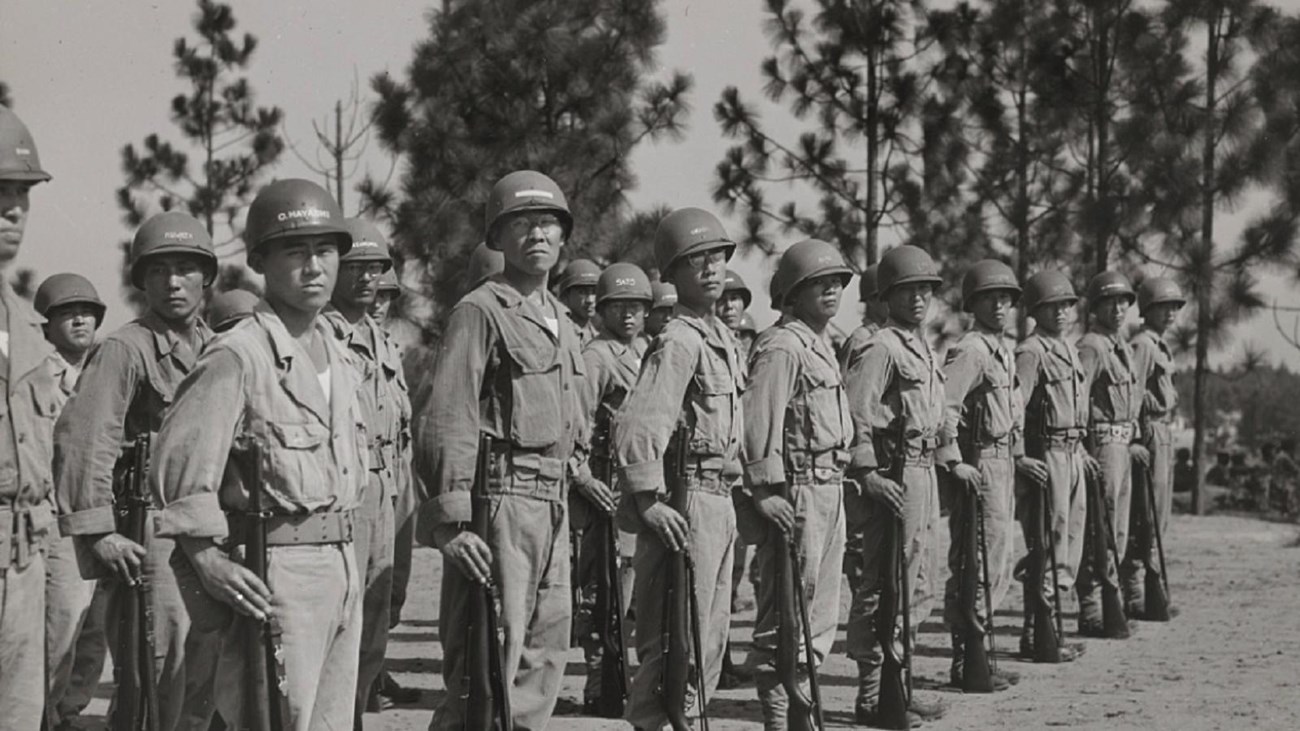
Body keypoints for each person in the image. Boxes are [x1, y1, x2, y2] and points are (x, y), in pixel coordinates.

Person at [150, 178, 366, 729]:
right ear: (261, 262)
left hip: (343, 565)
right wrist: (207, 560)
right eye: (295, 252)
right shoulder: (238, 355)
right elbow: (180, 470)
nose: (314, 267)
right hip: (276, 572)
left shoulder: (340, 357)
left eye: (325, 251)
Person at [417, 170, 586, 730]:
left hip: (553, 501)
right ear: (499, 238)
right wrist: (452, 521)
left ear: (563, 237)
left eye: (548, 223)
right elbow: (449, 414)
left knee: (545, 655)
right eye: (522, 223)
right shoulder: (482, 310)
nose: (537, 234)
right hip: (504, 500)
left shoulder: (562, 320)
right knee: (486, 664)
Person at [54, 209, 221, 730]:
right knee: (156, 679)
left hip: (211, 526)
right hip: (154, 532)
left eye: (186, 268)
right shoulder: (125, 349)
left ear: (206, 277)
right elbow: (85, 439)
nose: (174, 282)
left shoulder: (217, 348)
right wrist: (98, 532)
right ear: (143, 280)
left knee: (206, 674)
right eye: (159, 270)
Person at [612, 207, 743, 731]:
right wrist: (648, 500)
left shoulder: (722, 340)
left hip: (720, 497)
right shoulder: (680, 340)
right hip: (688, 497)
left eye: (716, 257)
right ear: (673, 273)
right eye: (695, 261)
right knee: (672, 643)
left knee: (708, 637)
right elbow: (639, 424)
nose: (710, 269)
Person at [742, 239, 853, 729]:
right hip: (801, 489)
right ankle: (782, 715)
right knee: (788, 610)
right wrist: (765, 490)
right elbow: (757, 424)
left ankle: (802, 706)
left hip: (830, 485)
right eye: (818, 283)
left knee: (819, 613)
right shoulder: (783, 345)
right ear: (793, 291)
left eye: (836, 282)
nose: (830, 290)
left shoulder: (819, 343)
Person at [841, 245, 948, 726]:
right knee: (882, 584)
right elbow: (855, 416)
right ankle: (871, 693)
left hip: (923, 473)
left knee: (919, 581)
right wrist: (867, 475)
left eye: (926, 289)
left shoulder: (923, 348)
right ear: (887, 296)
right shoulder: (880, 347)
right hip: (892, 473)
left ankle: (899, 685)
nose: (919, 298)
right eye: (908, 290)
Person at [325, 217, 414, 729]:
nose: (367, 279)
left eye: (376, 268)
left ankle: (354, 714)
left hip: (386, 488)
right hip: (346, 490)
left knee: (376, 618)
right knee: (342, 617)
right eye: (356, 267)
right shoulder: (322, 333)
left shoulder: (382, 342)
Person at [0, 103, 63, 730]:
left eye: (20, 193)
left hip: (24, 549)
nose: (13, 209)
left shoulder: (24, 321)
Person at [936, 260, 1025, 691]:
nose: (1000, 305)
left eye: (1006, 298)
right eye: (991, 297)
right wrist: (954, 461)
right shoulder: (971, 349)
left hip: (1002, 461)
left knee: (999, 557)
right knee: (977, 560)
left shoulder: (1001, 350)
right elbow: (945, 407)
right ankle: (965, 657)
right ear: (973, 303)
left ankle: (979, 652)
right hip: (980, 463)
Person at [570, 262, 652, 715]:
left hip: (635, 489)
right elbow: (573, 427)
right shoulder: (596, 358)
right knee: (602, 591)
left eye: (636, 306)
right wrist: (584, 481)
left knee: (633, 589)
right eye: (618, 306)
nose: (628, 315)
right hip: (603, 489)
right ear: (602, 310)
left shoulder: (648, 353)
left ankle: (624, 678)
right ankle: (600, 679)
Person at [34, 273, 107, 726]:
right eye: (67, 313)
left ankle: (69, 711)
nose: (79, 320)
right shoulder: (38, 374)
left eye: (87, 313)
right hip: (58, 517)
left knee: (94, 628)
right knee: (61, 625)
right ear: (47, 325)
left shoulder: (107, 367)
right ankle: (42, 714)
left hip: (102, 514)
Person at [1015, 269, 1094, 660]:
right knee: (1047, 543)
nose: (1061, 312)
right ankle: (1039, 634)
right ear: (1035, 311)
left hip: (1071, 452)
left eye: (1065, 305)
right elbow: (1013, 410)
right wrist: (1020, 457)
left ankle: (1048, 631)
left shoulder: (1067, 349)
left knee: (1069, 544)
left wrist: (1080, 450)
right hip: (1046, 454)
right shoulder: (1031, 352)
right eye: (1051, 306)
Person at [1076, 271, 1144, 638]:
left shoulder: (1122, 346)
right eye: (1109, 302)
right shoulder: (1092, 346)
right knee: (1097, 529)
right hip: (1100, 445)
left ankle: (1110, 603)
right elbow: (1078, 399)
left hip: (1122, 444)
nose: (1118, 309)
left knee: (1117, 530)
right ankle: (1091, 609)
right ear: (1096, 307)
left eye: (1123, 302)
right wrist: (1082, 449)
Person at [1125, 276, 1184, 620]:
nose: (1171, 312)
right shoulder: (1144, 346)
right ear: (1148, 309)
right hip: (1149, 431)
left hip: (1164, 431)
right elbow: (1132, 395)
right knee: (1144, 515)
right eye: (1164, 306)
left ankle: (1152, 590)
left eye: (1175, 306)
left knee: (1158, 516)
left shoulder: (1161, 345)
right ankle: (1135, 594)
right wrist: (1134, 438)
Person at [837, 264, 887, 370]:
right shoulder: (861, 339)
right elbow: (845, 382)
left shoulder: (893, 337)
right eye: (886, 296)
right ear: (871, 301)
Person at [557, 258, 602, 345]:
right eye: (582, 292)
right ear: (566, 295)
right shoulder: (558, 334)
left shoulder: (597, 336)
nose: (590, 300)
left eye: (594, 292)